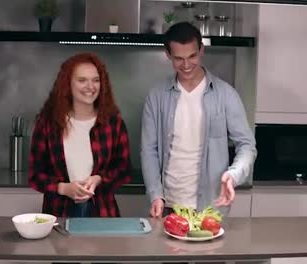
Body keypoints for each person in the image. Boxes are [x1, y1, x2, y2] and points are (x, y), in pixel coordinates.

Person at [141, 22, 257, 218]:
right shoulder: (156, 96)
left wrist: (234, 175)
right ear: (168, 54)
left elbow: (247, 146)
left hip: (211, 207)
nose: (186, 65)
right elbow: (148, 150)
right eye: (178, 58)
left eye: (192, 56)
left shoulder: (226, 95)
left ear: (201, 50)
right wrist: (155, 195)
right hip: (168, 205)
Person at [29, 52, 131, 217]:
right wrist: (63, 188)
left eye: (96, 80)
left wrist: (99, 179)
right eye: (82, 80)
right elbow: (35, 175)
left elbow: (123, 170)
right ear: (67, 84)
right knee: (59, 244)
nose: (90, 87)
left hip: (103, 213)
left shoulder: (113, 123)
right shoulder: (48, 124)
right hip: (59, 212)